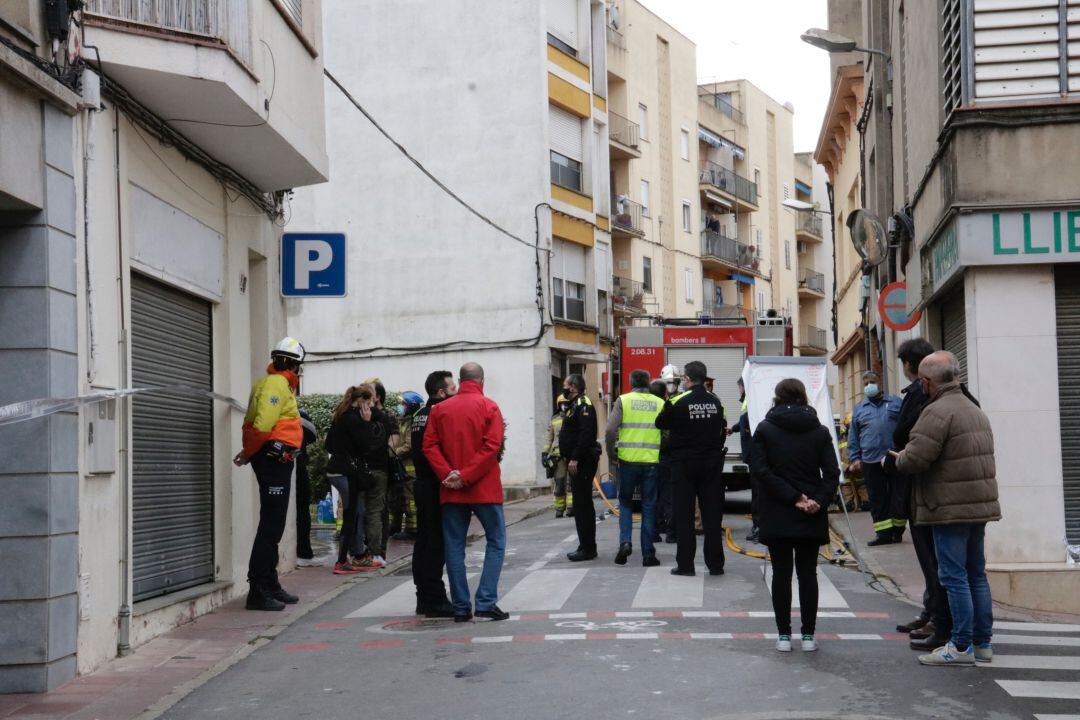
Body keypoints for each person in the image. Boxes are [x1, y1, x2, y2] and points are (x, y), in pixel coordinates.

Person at [893, 351, 1000, 667]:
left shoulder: (937, 412)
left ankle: (961, 645)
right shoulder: (974, 408)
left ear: (925, 382)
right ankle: (983, 644)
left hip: (949, 506)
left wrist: (897, 458)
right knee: (976, 575)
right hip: (978, 504)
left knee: (953, 577)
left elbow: (916, 459)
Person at [751, 378, 841, 652]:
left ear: (776, 398)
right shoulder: (820, 431)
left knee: (780, 572)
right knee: (808, 573)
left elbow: (761, 471)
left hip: (778, 509)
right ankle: (809, 636)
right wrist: (816, 500)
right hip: (811, 513)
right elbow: (833, 472)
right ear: (804, 398)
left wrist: (793, 498)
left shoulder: (765, 429)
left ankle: (783, 636)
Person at [423, 363, 509, 623]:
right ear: (481, 380)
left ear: (460, 381)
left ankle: (461, 607)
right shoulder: (489, 407)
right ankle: (485, 601)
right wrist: (468, 474)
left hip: (451, 489)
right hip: (484, 488)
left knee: (454, 547)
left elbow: (429, 446)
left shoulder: (439, 409)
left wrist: (449, 474)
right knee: (496, 541)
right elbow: (492, 446)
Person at [884, 338, 952, 651]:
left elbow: (908, 436)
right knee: (937, 562)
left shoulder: (927, 400)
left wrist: (896, 458)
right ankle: (933, 614)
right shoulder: (957, 402)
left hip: (926, 490)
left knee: (936, 561)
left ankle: (941, 622)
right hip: (932, 491)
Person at [234, 337, 305, 611]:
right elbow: (262, 426)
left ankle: (269, 583)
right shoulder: (276, 384)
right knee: (271, 527)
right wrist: (250, 452)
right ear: (292, 364)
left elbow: (252, 423)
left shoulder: (270, 383)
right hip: (273, 459)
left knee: (272, 524)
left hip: (273, 459)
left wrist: (249, 452)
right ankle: (258, 589)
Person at [656, 361, 727, 576]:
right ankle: (715, 565)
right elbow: (722, 429)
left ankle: (686, 565)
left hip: (684, 464)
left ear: (686, 379)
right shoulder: (715, 401)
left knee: (685, 515)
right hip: (711, 464)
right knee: (712, 516)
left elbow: (660, 423)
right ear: (704, 379)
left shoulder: (677, 401)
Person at [410, 371, 457, 618]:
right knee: (435, 545)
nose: (456, 392)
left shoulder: (419, 414)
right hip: (436, 484)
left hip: (422, 484)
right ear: (441, 393)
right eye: (452, 388)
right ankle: (434, 598)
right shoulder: (441, 414)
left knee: (424, 542)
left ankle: (423, 596)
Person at [605, 369, 663, 567]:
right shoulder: (660, 403)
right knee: (648, 506)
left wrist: (611, 453)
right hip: (651, 462)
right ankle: (648, 554)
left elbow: (610, 429)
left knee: (627, 504)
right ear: (648, 383)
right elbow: (668, 432)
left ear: (631, 382)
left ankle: (625, 542)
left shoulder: (623, 400)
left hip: (628, 462)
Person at [324, 385, 383, 574]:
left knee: (357, 511)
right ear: (362, 402)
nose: (371, 407)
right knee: (351, 516)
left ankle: (358, 555)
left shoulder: (341, 415)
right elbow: (367, 444)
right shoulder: (354, 418)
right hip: (347, 473)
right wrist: (367, 423)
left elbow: (329, 445)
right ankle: (342, 561)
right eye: (369, 403)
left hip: (336, 470)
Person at [847, 371, 904, 545]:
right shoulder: (859, 409)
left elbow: (906, 426)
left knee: (898, 496)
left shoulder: (896, 403)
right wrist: (854, 457)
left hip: (894, 457)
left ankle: (897, 531)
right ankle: (883, 534)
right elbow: (854, 436)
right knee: (877, 498)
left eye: (872, 382)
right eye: (865, 384)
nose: (869, 386)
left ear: (880, 382)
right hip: (871, 460)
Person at [560, 373, 601, 562]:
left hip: (583, 461)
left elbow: (586, 433)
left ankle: (588, 548)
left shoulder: (584, 404)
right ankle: (585, 544)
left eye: (565, 385)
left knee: (583, 505)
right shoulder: (574, 404)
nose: (564, 388)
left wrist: (575, 458)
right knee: (580, 504)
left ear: (573, 387)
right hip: (577, 461)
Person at [360, 379, 394, 565]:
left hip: (377, 469)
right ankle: (366, 550)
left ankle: (377, 552)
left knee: (376, 511)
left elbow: (376, 443)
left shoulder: (381, 417)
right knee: (364, 511)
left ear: (378, 397)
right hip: (362, 469)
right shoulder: (361, 414)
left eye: (369, 391)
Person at [389, 390, 423, 540]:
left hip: (410, 469)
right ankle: (403, 527)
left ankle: (413, 529)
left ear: (411, 406)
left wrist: (395, 452)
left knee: (410, 499)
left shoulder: (412, 422)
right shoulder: (403, 421)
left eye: (403, 403)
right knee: (401, 499)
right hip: (402, 468)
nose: (400, 406)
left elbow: (409, 445)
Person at [729, 378, 757, 543]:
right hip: (752, 454)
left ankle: (759, 527)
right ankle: (758, 526)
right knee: (757, 493)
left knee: (758, 495)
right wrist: (733, 429)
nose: (739, 390)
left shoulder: (750, 399)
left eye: (739, 387)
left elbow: (749, 421)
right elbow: (744, 421)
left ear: (743, 386)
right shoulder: (748, 399)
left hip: (754, 454)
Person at [649, 379, 675, 543]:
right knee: (668, 496)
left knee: (652, 496)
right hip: (665, 456)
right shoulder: (666, 406)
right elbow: (668, 434)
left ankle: (654, 530)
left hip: (647, 457)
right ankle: (672, 533)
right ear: (664, 393)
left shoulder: (645, 406)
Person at [542, 395, 573, 518]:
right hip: (557, 456)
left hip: (571, 455)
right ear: (558, 405)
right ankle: (559, 508)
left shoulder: (573, 416)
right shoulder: (554, 419)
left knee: (571, 482)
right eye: (562, 403)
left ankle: (571, 507)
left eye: (566, 403)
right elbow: (549, 438)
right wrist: (544, 453)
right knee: (559, 482)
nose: (564, 405)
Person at [295, 409, 318, 561]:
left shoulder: (299, 415)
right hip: (299, 465)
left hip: (296, 465)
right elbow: (312, 436)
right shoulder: (301, 415)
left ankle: (303, 549)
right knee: (302, 510)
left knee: (301, 510)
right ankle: (304, 550)